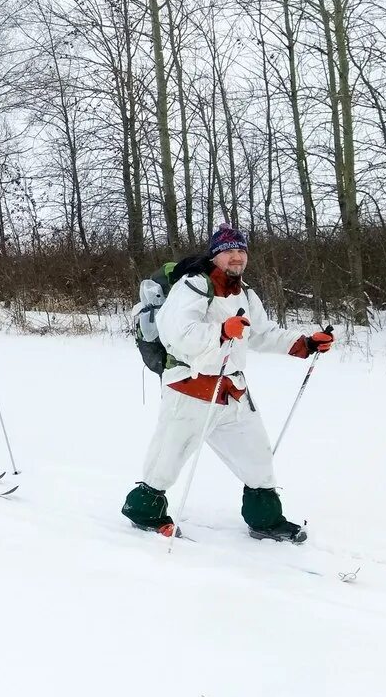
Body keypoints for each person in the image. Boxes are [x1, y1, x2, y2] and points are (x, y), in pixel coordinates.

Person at [121, 224, 335, 543]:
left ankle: (265, 519)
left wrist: (304, 343)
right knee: (169, 457)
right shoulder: (194, 285)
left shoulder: (244, 292)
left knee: (258, 458)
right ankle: (145, 511)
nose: (236, 257)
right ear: (216, 255)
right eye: (229, 251)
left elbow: (262, 333)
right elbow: (176, 333)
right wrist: (221, 332)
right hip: (190, 387)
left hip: (232, 391)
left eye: (241, 250)